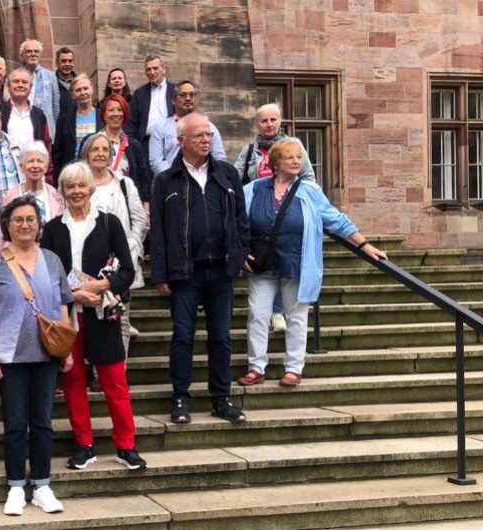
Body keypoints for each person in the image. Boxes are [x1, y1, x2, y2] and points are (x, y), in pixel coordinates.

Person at [240, 140, 386, 387]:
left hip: (296, 262)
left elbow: (337, 221)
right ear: (275, 162)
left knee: (296, 316)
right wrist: (240, 251)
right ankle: (256, 367)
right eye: (290, 157)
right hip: (262, 263)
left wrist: (364, 244)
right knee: (258, 315)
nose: (296, 161)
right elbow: (237, 222)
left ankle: (293, 368)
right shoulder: (254, 189)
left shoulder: (309, 191)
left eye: (299, 157)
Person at [40, 162, 145, 471]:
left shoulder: (110, 223)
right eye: (69, 186)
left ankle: (126, 445)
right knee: (72, 380)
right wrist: (73, 295)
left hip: (102, 314)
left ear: (91, 188)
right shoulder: (52, 229)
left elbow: (127, 271)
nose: (76, 191)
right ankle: (84, 445)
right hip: (67, 316)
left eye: (81, 185)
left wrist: (102, 285)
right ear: (62, 191)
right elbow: (44, 276)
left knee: (114, 380)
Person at [0, 195, 74, 515]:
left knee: (42, 423)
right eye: (18, 220)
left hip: (46, 355)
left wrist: (67, 348)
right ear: (7, 225)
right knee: (15, 423)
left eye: (31, 219)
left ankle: (42, 485)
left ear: (39, 224)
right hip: (9, 355)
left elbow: (63, 304)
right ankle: (16, 486)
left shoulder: (52, 260)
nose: (25, 225)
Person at [150, 113, 250, 425]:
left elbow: (241, 219)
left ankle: (221, 398)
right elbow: (158, 231)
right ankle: (180, 398)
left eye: (208, 135)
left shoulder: (227, 173)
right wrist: (160, 273)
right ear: (181, 141)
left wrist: (238, 254)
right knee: (183, 336)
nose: (206, 140)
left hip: (221, 269)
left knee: (221, 338)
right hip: (185, 271)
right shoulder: (165, 180)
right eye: (199, 136)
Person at [236, 103, 317, 332]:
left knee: (284, 261)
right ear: (257, 124)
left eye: (273, 119)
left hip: (288, 211)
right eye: (264, 121)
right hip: (260, 213)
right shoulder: (248, 151)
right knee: (263, 259)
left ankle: (278, 311)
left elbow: (308, 177)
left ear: (280, 122)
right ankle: (268, 313)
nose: (269, 124)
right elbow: (235, 180)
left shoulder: (294, 146)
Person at [78, 132, 147, 355]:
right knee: (89, 319)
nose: (100, 154)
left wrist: (131, 248)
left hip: (119, 265)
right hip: (86, 264)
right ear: (86, 154)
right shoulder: (77, 184)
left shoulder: (124, 183)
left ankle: (119, 368)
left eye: (105, 149)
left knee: (121, 319)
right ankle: (96, 366)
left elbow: (140, 220)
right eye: (95, 149)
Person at [148, 80, 226, 176]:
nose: (188, 98)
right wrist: (173, 178)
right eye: (183, 95)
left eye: (191, 95)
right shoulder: (161, 128)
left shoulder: (209, 127)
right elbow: (156, 161)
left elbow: (219, 157)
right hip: (171, 180)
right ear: (173, 100)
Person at [97, 95, 151, 208]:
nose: (116, 113)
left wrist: (146, 206)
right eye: (111, 110)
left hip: (125, 204)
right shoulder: (92, 142)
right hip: (98, 201)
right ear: (104, 115)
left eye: (120, 110)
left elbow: (143, 179)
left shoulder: (134, 145)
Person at [0, 141, 64, 228]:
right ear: (21, 167)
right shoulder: (9, 197)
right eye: (30, 161)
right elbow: (4, 232)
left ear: (46, 167)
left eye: (40, 161)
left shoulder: (56, 196)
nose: (35, 165)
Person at [53, 74, 100, 179]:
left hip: (96, 173)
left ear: (92, 89)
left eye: (85, 88)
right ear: (73, 95)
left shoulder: (102, 117)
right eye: (78, 90)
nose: (83, 93)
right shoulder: (64, 120)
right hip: (72, 175)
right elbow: (57, 154)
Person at [124, 54, 175, 144]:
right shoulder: (139, 94)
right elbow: (131, 122)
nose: (152, 72)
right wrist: (133, 143)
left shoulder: (175, 90)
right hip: (146, 143)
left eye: (155, 68)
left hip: (171, 141)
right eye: (148, 69)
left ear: (163, 69)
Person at [1, 67, 52, 154]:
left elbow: (47, 143)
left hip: (33, 162)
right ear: (8, 87)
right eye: (16, 81)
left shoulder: (39, 114)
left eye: (24, 82)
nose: (20, 85)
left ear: (30, 87)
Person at [18, 39, 60, 136]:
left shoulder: (50, 76)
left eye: (36, 51)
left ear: (40, 54)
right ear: (22, 55)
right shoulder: (15, 77)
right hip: (22, 127)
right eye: (29, 51)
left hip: (45, 128)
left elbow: (55, 107)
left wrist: (52, 126)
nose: (33, 54)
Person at [55, 47, 77, 117]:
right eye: (64, 61)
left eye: (70, 61)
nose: (67, 64)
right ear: (57, 63)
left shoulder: (79, 83)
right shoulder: (51, 83)